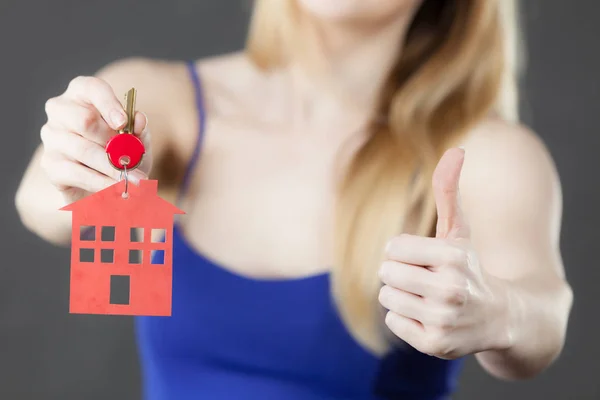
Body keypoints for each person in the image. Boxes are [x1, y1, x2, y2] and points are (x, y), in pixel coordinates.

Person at [15, 0, 573, 399]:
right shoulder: (163, 102)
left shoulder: (487, 152)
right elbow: (39, 202)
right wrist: (71, 175)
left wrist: (497, 312)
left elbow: (544, 313)